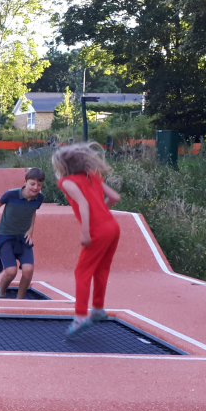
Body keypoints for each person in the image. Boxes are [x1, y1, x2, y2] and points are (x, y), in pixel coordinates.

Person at [52, 142, 122, 338]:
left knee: (81, 272)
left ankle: (81, 316)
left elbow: (82, 203)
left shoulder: (66, 182)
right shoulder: (93, 177)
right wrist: (102, 209)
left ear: (62, 166)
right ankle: (98, 308)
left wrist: (85, 232)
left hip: (97, 231)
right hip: (113, 227)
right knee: (101, 268)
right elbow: (115, 197)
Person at [0, 168, 46, 299]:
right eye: (32, 184)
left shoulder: (39, 198)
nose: (36, 187)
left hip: (23, 237)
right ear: (25, 182)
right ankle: (1, 293)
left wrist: (31, 229)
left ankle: (20, 300)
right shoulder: (11, 194)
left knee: (28, 270)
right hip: (5, 236)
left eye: (39, 185)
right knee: (11, 272)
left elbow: (33, 211)